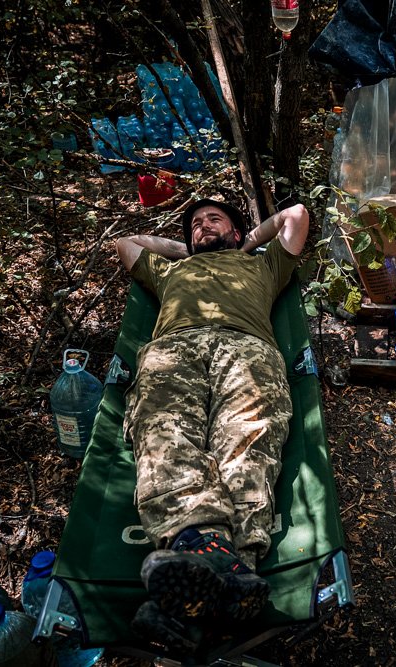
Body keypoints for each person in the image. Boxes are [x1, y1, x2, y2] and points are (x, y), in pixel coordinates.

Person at [114, 198, 309, 649]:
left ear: (238, 231)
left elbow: (296, 214)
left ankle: (196, 575)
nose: (202, 226)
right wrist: (185, 249)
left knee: (248, 441)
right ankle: (229, 569)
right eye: (195, 224)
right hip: (174, 350)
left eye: (213, 219)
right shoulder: (171, 271)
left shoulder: (265, 267)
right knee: (163, 435)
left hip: (247, 349)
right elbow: (126, 243)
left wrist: (245, 246)